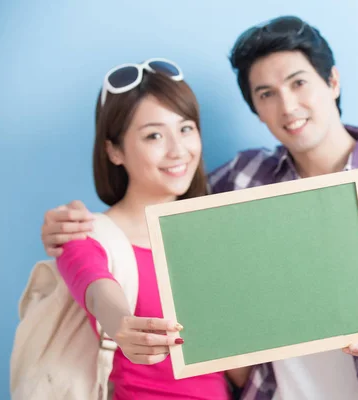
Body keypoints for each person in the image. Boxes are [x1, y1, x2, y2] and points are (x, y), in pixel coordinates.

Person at [40, 16, 358, 400]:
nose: (287, 106)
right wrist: (68, 229)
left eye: (298, 83)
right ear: (255, 108)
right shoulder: (244, 177)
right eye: (266, 94)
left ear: (332, 81)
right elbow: (161, 200)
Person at [50, 58, 237, 399]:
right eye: (154, 135)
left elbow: (238, 369)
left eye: (186, 128)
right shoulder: (85, 236)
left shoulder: (215, 236)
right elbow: (98, 292)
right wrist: (122, 323)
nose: (178, 150)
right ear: (114, 150)